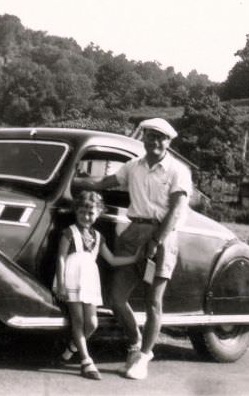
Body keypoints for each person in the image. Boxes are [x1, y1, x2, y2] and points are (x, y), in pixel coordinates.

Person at [72, 117, 190, 380]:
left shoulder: (177, 171)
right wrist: (74, 180)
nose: (155, 142)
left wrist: (156, 241)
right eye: (150, 136)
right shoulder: (132, 167)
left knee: (153, 302)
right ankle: (135, 341)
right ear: (144, 138)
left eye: (161, 138)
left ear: (169, 142)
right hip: (133, 231)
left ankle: (144, 357)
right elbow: (101, 184)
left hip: (163, 236)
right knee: (115, 297)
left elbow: (175, 210)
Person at [54, 191, 142, 380]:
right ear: (76, 211)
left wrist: (134, 258)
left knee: (92, 323)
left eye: (91, 213)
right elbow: (61, 257)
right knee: (78, 321)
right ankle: (86, 361)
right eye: (82, 212)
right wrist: (60, 283)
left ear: (98, 213)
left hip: (89, 279)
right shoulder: (70, 232)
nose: (86, 216)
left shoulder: (98, 237)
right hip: (72, 276)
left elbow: (111, 259)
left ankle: (71, 348)